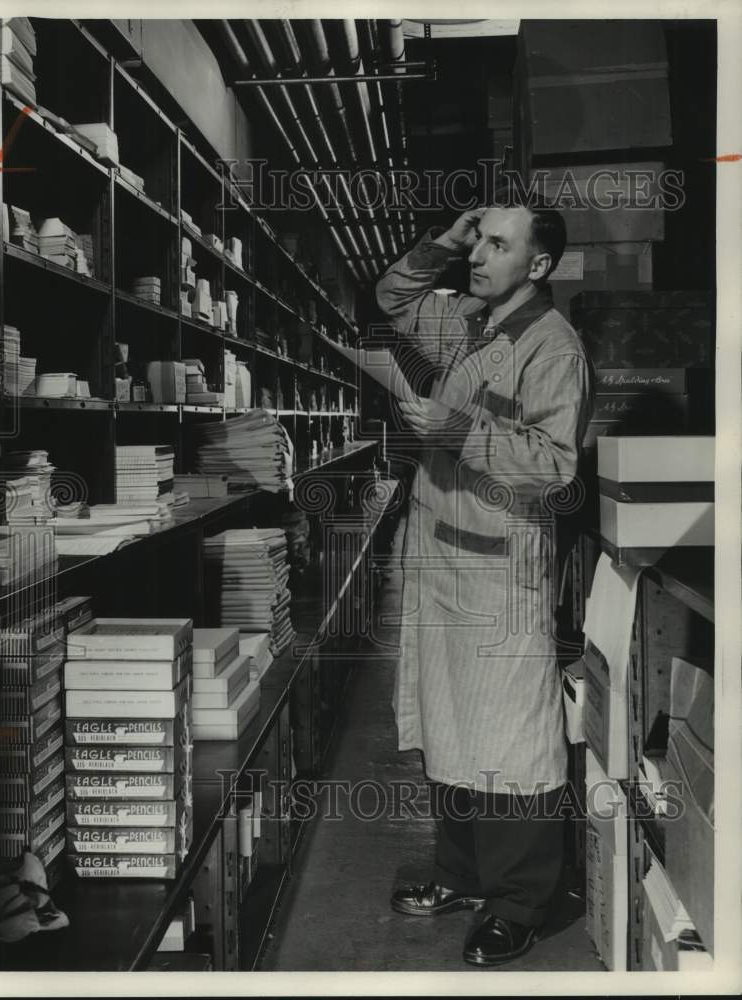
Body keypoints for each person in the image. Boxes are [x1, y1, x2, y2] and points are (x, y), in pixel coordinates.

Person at [375, 195, 592, 967]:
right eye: (479, 241)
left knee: (511, 740)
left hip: (500, 570)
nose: (479, 256)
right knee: (448, 725)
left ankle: (520, 902)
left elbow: (556, 467)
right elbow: (393, 297)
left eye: (497, 245)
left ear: (538, 264)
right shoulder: (470, 324)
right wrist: (446, 240)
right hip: (443, 560)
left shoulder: (551, 347)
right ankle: (463, 875)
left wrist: (459, 431)